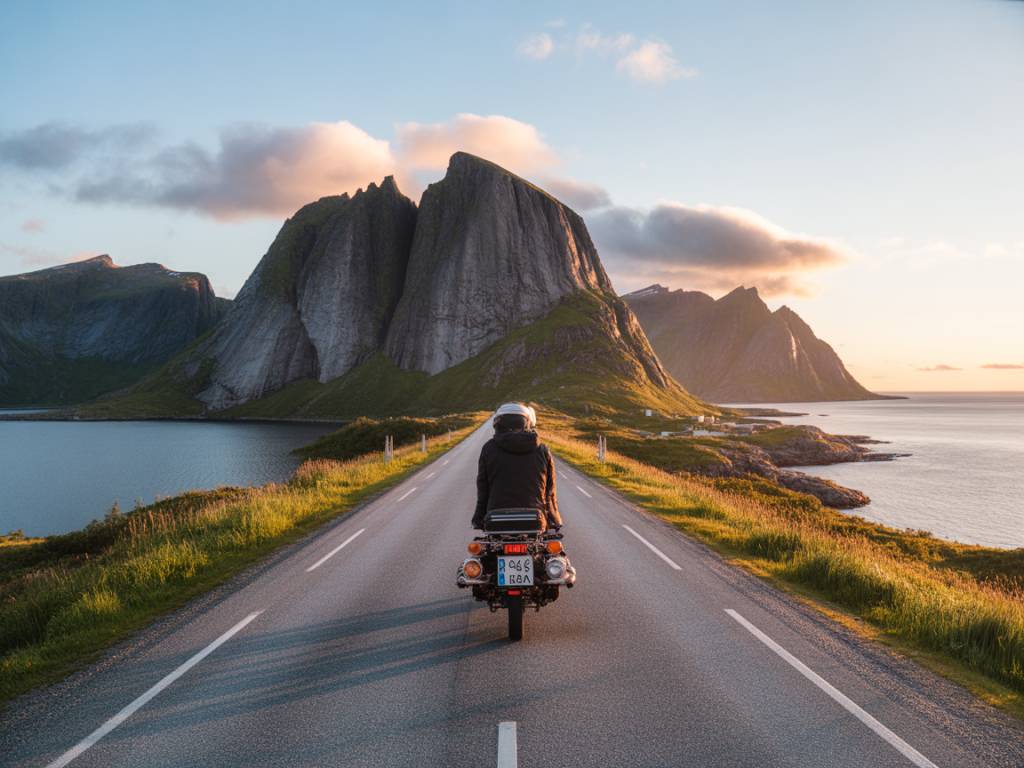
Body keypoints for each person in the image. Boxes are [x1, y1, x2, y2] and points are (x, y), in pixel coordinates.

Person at [472, 402, 562, 531]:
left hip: (496, 520)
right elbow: (549, 490)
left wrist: (478, 518)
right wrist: (554, 518)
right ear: (527, 423)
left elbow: (483, 488)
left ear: (498, 424)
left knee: (486, 550)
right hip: (536, 519)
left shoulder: (488, 448)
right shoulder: (542, 450)